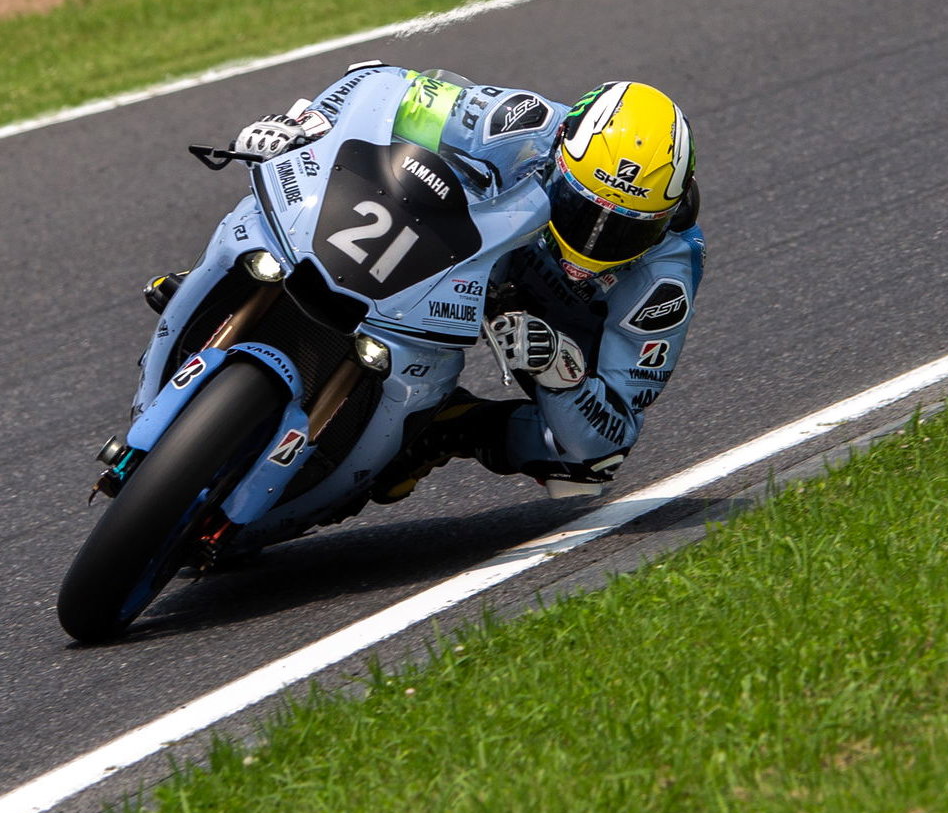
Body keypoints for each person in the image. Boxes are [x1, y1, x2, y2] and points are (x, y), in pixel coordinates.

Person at [153, 67, 704, 502]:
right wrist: (307, 125)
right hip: (477, 247)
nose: (595, 241)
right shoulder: (524, 122)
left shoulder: (666, 276)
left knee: (584, 466)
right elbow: (380, 83)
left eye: (626, 229)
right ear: (562, 157)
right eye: (584, 210)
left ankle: (444, 428)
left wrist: (563, 373)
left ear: (666, 215)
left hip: (558, 324)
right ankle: (217, 283)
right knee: (284, 181)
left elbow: (612, 433)